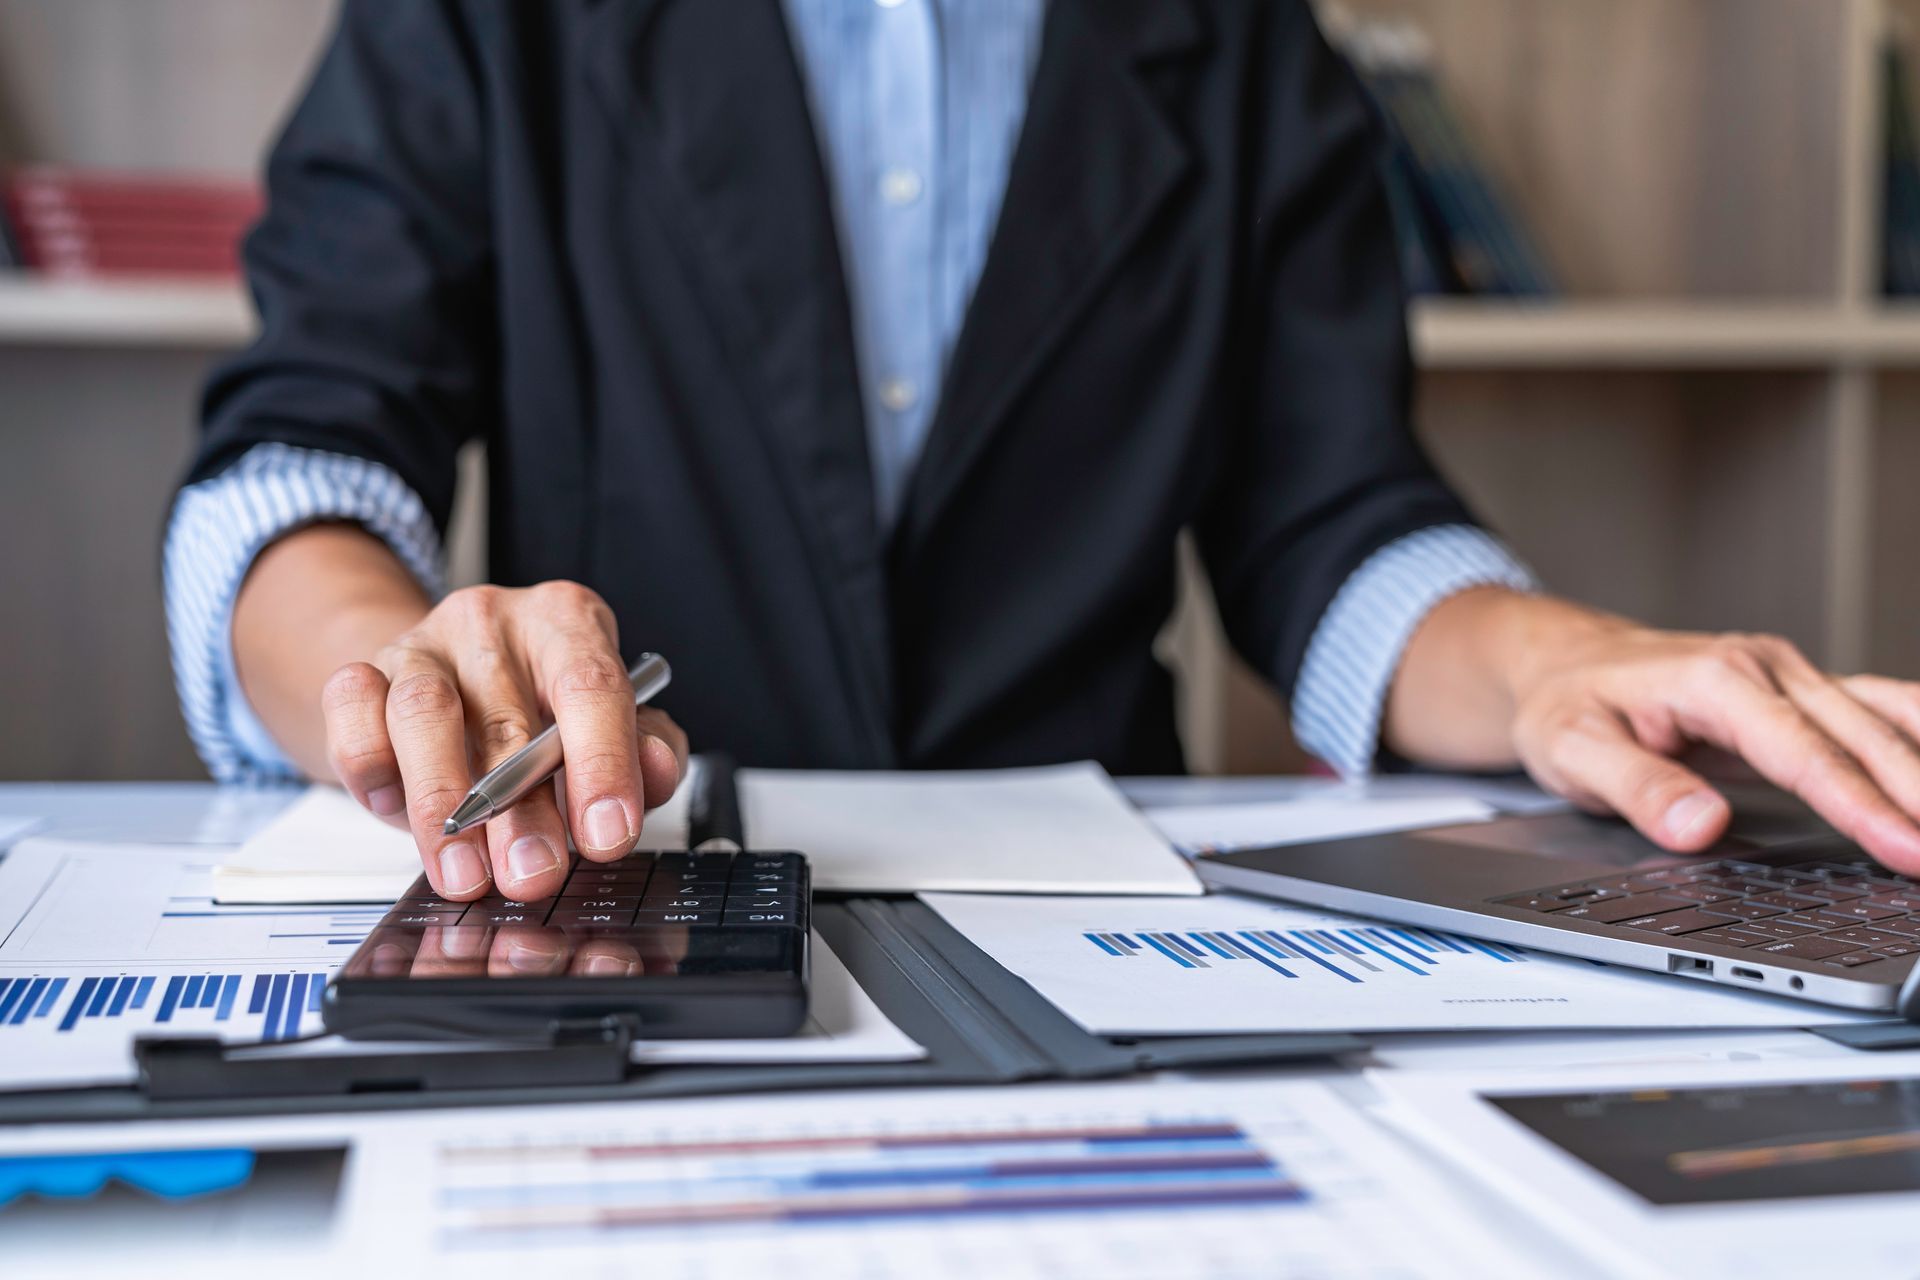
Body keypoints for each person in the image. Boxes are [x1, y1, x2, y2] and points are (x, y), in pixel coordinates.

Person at [166, 0, 1920, 912]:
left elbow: (1326, 524)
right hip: (638, 884)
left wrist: (1560, 665)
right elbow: (306, 448)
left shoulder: (1233, 37)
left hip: (1091, 901)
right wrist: (392, 677)